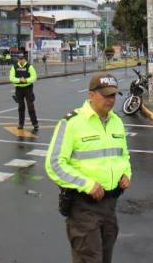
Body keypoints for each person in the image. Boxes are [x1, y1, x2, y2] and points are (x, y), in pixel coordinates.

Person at [45, 73, 132, 263]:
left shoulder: (116, 121)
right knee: (89, 259)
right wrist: (87, 184)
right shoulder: (71, 123)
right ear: (91, 95)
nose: (111, 100)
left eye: (113, 95)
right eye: (106, 95)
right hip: (84, 207)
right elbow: (54, 164)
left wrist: (126, 173)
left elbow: (123, 155)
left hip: (110, 205)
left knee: (105, 258)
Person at [10, 53, 39, 133]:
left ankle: (35, 123)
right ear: (18, 59)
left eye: (22, 59)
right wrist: (19, 80)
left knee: (30, 106)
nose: (21, 60)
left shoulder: (29, 66)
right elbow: (11, 78)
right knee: (21, 107)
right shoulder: (14, 67)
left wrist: (26, 80)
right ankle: (21, 124)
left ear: (24, 59)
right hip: (18, 89)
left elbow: (34, 77)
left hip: (28, 88)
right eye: (19, 59)